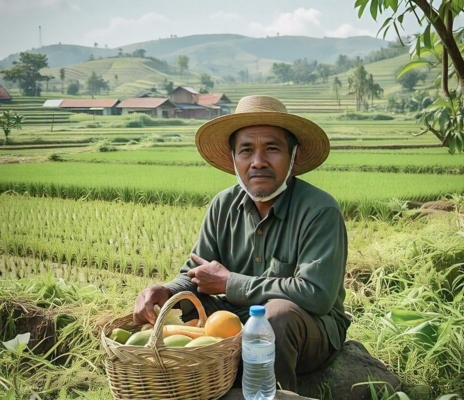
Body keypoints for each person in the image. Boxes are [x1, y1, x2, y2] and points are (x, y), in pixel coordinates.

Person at [133, 95, 351, 392]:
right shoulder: (223, 205)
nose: (258, 161)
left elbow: (316, 296)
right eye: (246, 150)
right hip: (236, 318)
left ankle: (275, 393)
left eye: (272, 149)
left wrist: (230, 283)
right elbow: (196, 273)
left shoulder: (319, 210)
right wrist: (166, 290)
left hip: (306, 329)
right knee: (182, 306)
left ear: (294, 156)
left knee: (278, 316)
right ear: (233, 158)